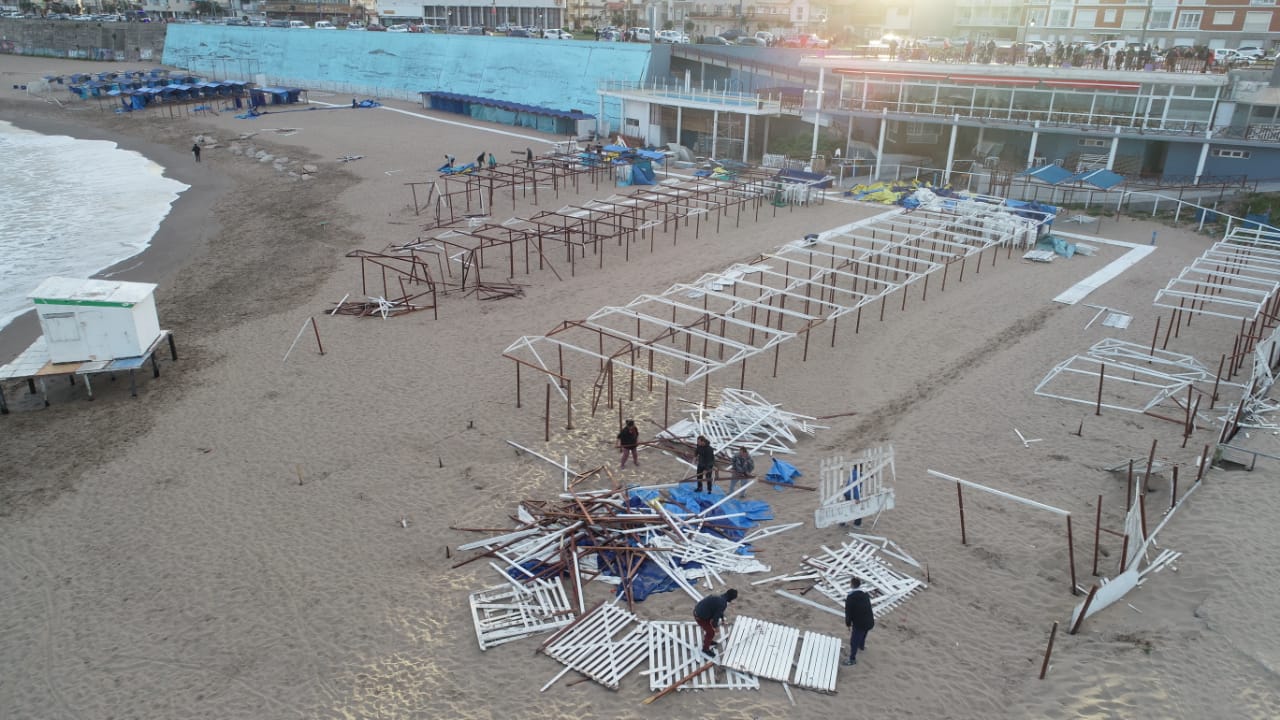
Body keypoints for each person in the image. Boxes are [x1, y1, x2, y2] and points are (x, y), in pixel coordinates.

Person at [693, 588, 738, 656]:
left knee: (710, 630)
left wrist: (722, 619)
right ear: (731, 599)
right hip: (700, 617)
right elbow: (715, 619)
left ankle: (708, 641)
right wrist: (716, 628)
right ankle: (705, 649)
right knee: (711, 633)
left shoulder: (720, 597)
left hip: (700, 611)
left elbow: (719, 611)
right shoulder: (723, 603)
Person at [844, 577, 875, 666]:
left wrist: (848, 624)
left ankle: (852, 659)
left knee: (854, 641)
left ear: (852, 585)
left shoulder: (851, 597)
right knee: (864, 633)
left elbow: (848, 612)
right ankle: (861, 646)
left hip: (859, 623)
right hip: (869, 620)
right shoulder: (865, 594)